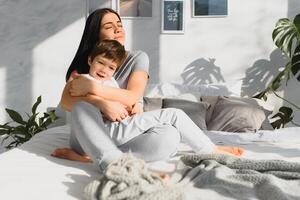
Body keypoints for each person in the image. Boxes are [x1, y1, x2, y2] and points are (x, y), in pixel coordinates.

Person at [51, 8, 243, 172]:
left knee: (170, 136)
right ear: (95, 35)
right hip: (86, 137)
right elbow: (68, 103)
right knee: (82, 109)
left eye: (119, 24)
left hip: (122, 132)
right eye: (109, 26)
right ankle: (210, 150)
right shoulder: (83, 70)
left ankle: (94, 159)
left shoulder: (137, 58)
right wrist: (102, 103)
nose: (118, 28)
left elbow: (133, 96)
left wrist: (96, 91)